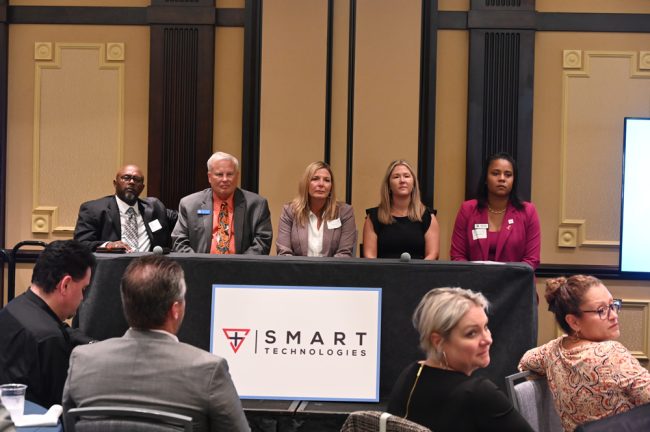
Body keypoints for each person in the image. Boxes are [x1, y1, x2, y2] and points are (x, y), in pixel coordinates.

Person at [62, 255, 250, 432]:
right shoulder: (209, 370)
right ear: (175, 309)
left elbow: (70, 426)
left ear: (126, 304)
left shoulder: (82, 360)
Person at [388, 287, 532, 432]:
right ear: (438, 341)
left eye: (486, 327)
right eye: (471, 333)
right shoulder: (479, 394)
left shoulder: (410, 375)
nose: (487, 339)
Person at [518, 275, 650, 432]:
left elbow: (524, 362)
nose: (614, 315)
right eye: (601, 310)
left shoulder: (551, 351)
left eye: (612, 305)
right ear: (574, 322)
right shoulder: (612, 354)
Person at [0, 240, 95, 408]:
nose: (82, 298)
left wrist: (94, 344)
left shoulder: (13, 308)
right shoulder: (49, 339)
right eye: (83, 289)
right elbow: (61, 407)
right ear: (65, 285)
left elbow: (62, 329)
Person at [450, 152, 540, 269]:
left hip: (515, 284)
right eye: (495, 173)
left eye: (508, 175)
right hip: (473, 283)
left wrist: (501, 280)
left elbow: (532, 260)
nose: (502, 179)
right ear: (486, 179)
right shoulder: (467, 209)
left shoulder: (528, 211)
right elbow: (458, 256)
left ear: (514, 180)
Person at [172, 152, 272, 254]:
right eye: (219, 174)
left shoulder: (257, 205)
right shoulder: (189, 204)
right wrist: (199, 265)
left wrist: (240, 266)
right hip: (200, 267)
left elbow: (262, 242)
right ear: (209, 177)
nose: (225, 179)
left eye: (229, 174)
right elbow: (179, 241)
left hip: (242, 267)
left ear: (237, 176)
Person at [74, 164, 176, 252]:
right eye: (126, 178)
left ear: (142, 187)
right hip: (112, 268)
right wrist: (108, 245)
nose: (131, 182)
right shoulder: (94, 210)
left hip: (149, 269)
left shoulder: (155, 207)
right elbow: (80, 244)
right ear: (115, 183)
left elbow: (184, 217)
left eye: (137, 180)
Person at [276, 161, 357, 257]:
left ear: (331, 187)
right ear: (306, 183)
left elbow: (344, 253)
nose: (321, 184)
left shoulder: (344, 212)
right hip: (297, 271)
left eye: (327, 180)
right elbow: (284, 253)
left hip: (333, 271)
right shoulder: (290, 212)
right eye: (315, 179)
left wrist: (324, 271)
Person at [362, 159, 439, 259]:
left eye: (406, 176)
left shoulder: (428, 217)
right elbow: (369, 256)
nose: (402, 180)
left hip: (418, 273)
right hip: (383, 273)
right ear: (388, 185)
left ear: (414, 184)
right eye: (396, 177)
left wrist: (416, 273)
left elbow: (433, 254)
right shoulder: (373, 217)